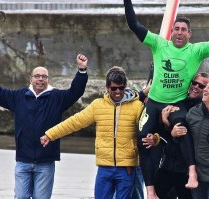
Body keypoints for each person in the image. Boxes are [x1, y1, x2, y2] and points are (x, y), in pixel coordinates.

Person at [123, 0, 209, 197]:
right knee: (142, 141)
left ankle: (191, 172)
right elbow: (133, 24)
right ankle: (151, 191)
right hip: (153, 103)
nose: (179, 32)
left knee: (182, 128)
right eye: (176, 29)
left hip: (176, 103)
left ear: (190, 34)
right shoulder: (158, 44)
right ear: (171, 32)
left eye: (184, 30)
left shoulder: (196, 51)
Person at [0, 54, 89, 199]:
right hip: (23, 161)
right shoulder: (19, 97)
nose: (40, 79)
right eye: (37, 76)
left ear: (48, 80)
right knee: (20, 197)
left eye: (44, 77)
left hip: (46, 162)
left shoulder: (57, 98)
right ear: (30, 79)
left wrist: (82, 71)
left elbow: (75, 91)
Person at [40, 66, 143, 199]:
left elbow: (148, 129)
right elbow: (75, 122)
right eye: (113, 88)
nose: (118, 91)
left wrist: (156, 138)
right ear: (107, 87)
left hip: (127, 168)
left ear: (125, 86)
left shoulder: (137, 106)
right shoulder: (98, 105)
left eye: (121, 88)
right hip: (104, 167)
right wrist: (50, 134)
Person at [150, 72, 209, 199]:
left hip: (186, 170)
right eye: (194, 83)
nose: (196, 87)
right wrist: (167, 124)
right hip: (168, 164)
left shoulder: (204, 109)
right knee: (156, 193)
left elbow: (195, 136)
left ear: (206, 90)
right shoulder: (178, 101)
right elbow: (162, 134)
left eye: (201, 86)